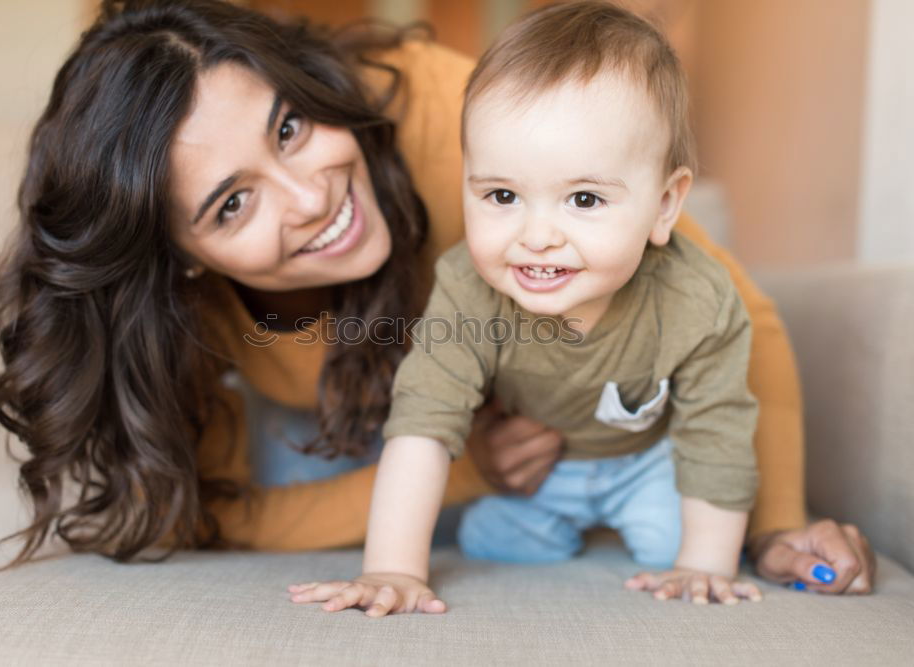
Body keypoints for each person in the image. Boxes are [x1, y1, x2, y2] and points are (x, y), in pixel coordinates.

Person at [0, 0, 874, 595]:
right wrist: (465, 476)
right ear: (182, 260)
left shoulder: (464, 123)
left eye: (289, 126)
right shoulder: (189, 318)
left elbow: (727, 313)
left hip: (554, 402)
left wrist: (780, 526)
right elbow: (214, 508)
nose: (313, 195)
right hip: (382, 426)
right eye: (232, 203)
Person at [290, 0, 766, 614]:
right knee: (489, 537)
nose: (537, 235)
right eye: (504, 194)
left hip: (648, 461)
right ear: (468, 183)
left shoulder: (696, 299)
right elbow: (423, 425)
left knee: (682, 541)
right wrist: (393, 570)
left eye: (585, 199)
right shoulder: (467, 285)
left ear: (666, 205)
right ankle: (560, 525)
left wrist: (704, 566)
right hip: (542, 474)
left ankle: (667, 538)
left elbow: (718, 433)